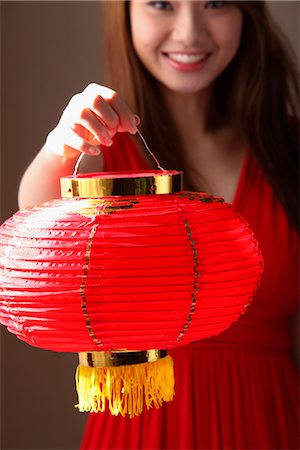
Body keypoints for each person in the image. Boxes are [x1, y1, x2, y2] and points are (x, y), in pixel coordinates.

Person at [18, 1, 299, 449]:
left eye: (216, 2)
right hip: (138, 433)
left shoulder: (291, 151)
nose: (189, 32)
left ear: (248, 12)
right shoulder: (97, 158)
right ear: (124, 13)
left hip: (270, 424)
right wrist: (60, 148)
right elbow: (36, 235)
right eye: (161, 4)